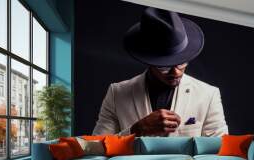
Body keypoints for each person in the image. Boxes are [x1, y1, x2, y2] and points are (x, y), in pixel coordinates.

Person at [93, 7, 228, 137]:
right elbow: (96, 147)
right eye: (165, 67)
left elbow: (220, 150)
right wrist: (136, 131)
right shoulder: (117, 94)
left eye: (182, 63)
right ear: (150, 61)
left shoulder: (208, 95)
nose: (176, 72)